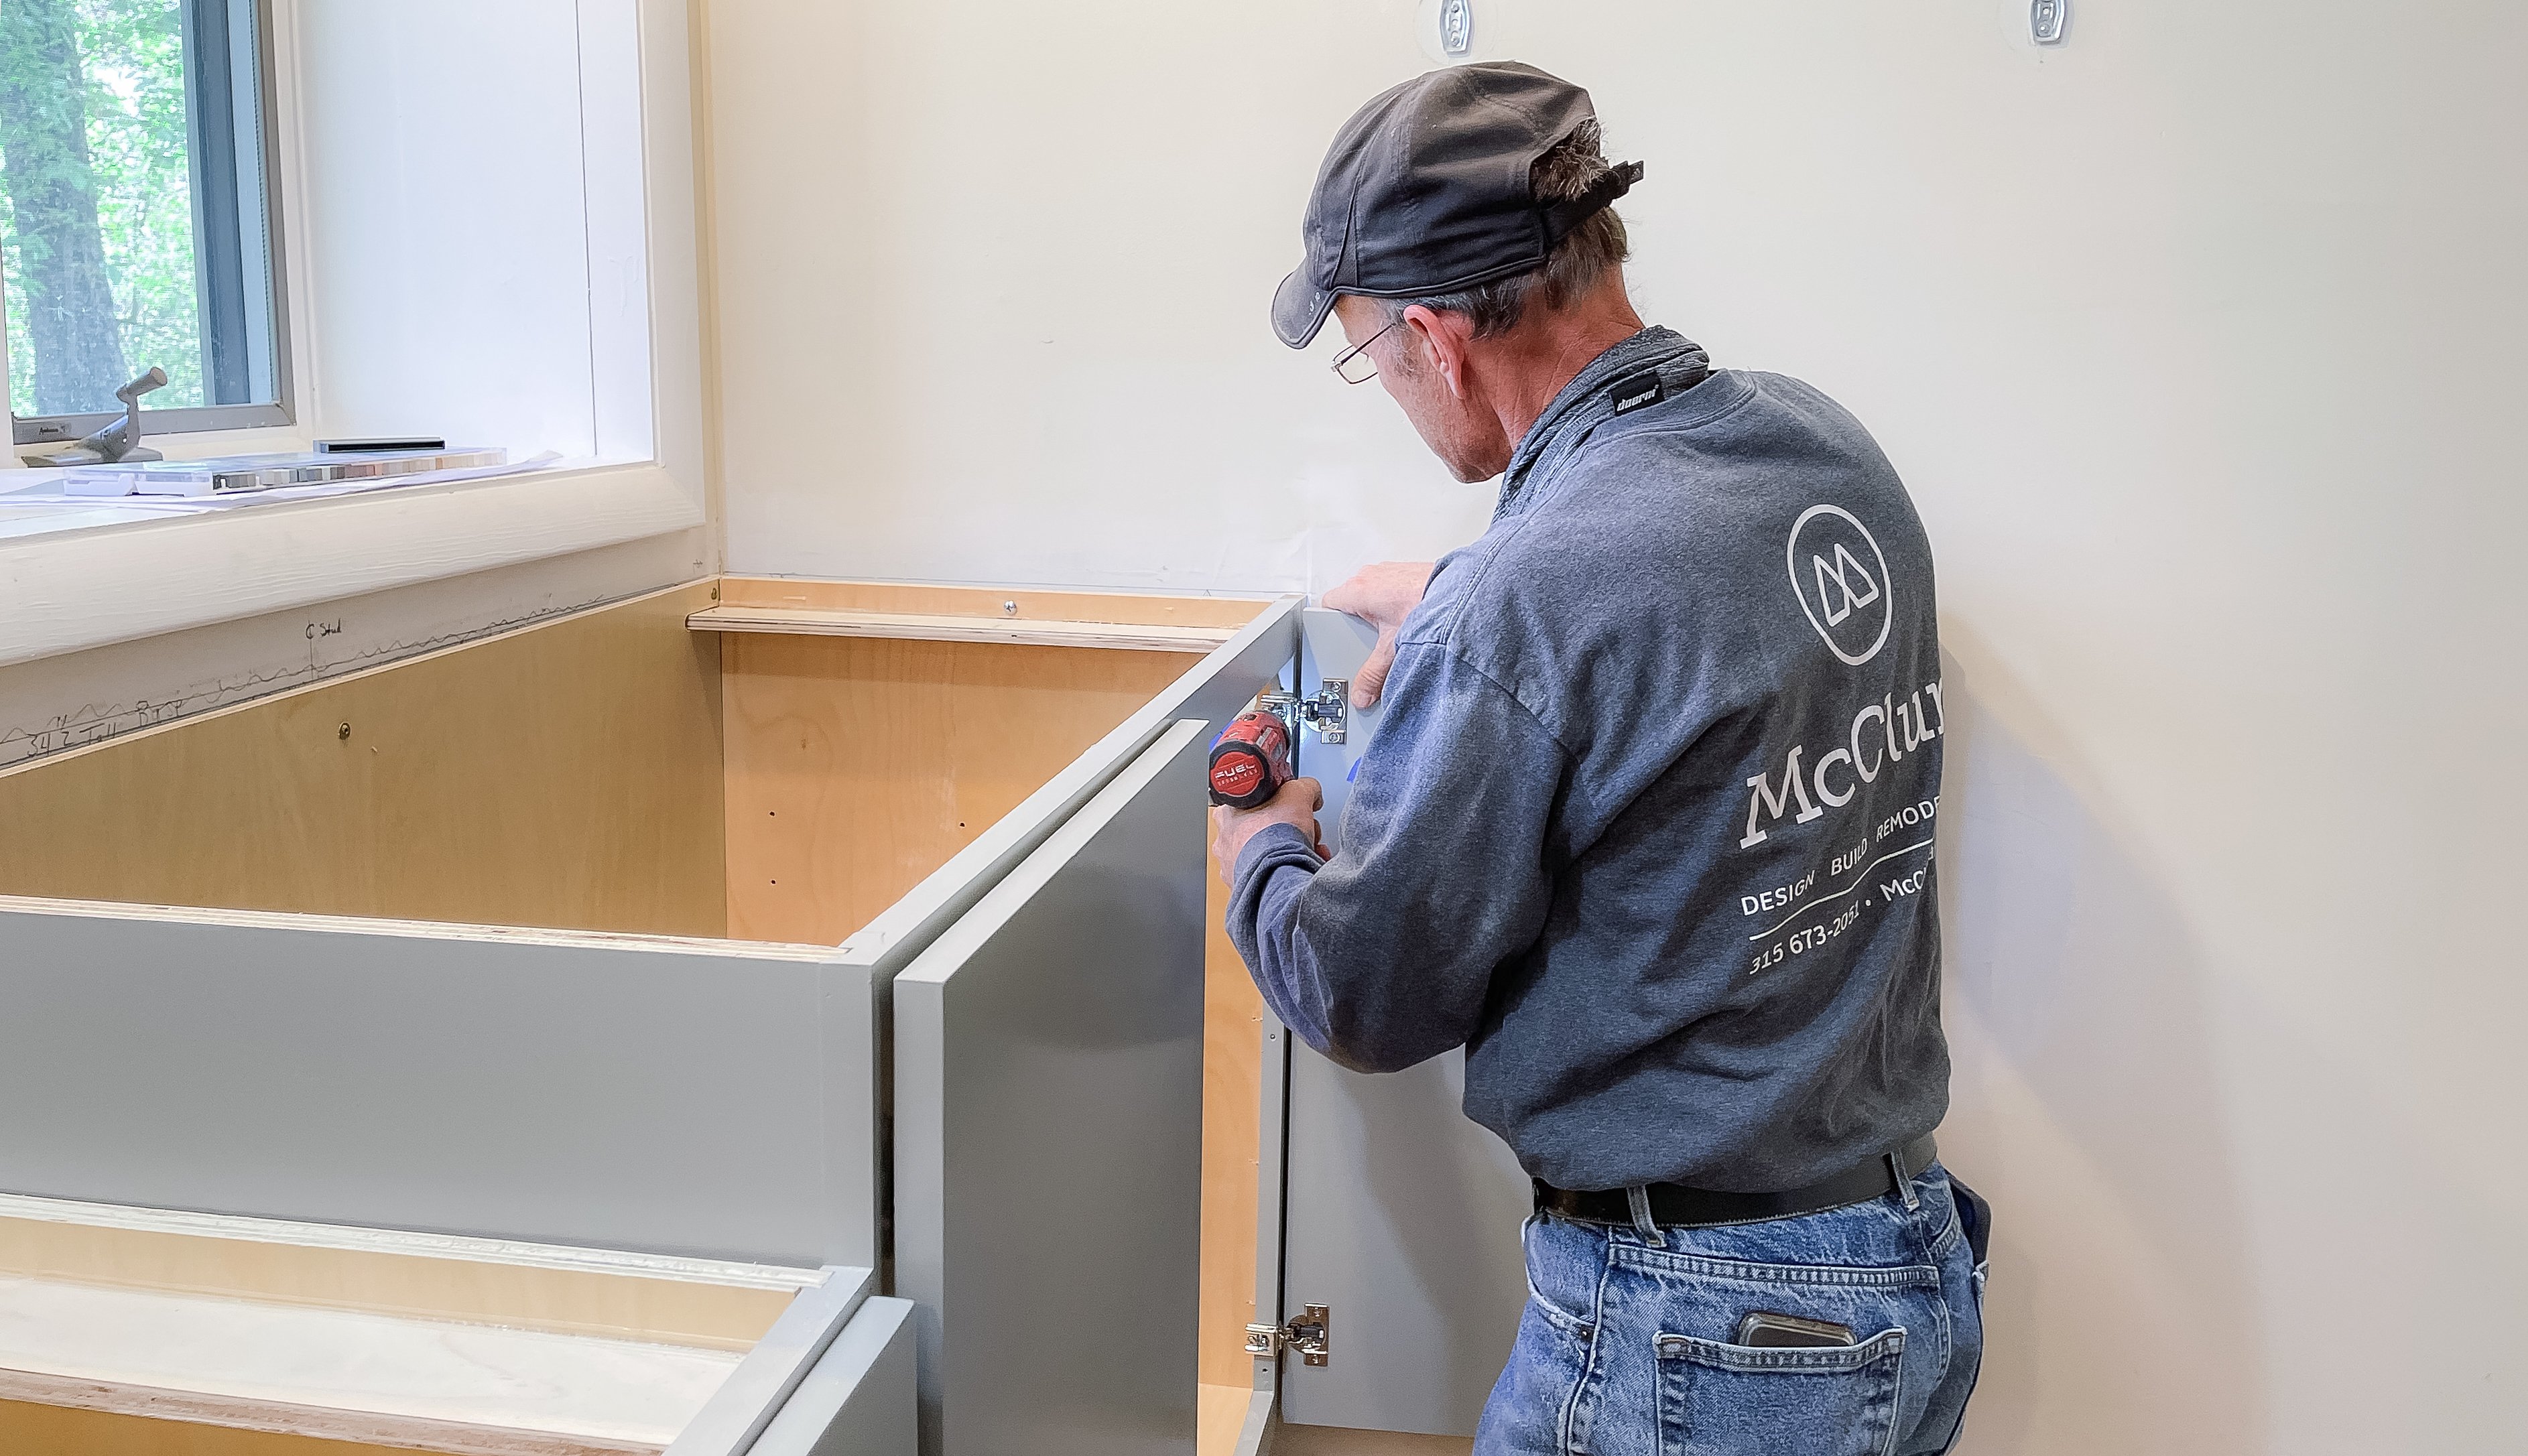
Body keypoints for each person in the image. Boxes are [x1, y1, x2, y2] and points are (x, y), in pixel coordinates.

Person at [1213, 62, 1990, 1455]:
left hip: (1703, 1337)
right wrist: (1466, 598)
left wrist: (1257, 843)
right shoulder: (1817, 448)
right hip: (1904, 1269)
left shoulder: (1532, 604)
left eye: (1368, 355)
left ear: (1435, 337)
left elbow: (1360, 990)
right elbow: (1671, 633)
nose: (1385, 388)